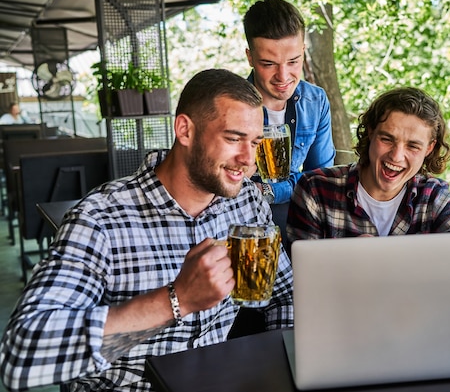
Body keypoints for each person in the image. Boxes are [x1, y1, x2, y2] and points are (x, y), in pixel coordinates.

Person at [0, 69, 294, 392]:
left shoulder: (247, 204)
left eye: (254, 142)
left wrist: (277, 370)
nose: (248, 159)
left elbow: (285, 296)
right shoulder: (100, 219)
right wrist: (176, 299)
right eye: (233, 138)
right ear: (185, 130)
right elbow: (20, 355)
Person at [287, 87, 450, 250]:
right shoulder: (315, 190)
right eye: (387, 139)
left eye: (413, 146)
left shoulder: (434, 198)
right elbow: (299, 288)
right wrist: (346, 260)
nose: (397, 156)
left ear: (429, 149)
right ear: (369, 132)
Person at [243, 0, 336, 205]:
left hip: (300, 212)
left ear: (303, 51)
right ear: (250, 58)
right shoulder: (229, 104)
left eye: (293, 62)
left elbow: (322, 179)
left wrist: (270, 190)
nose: (283, 77)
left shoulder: (316, 101)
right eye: (269, 64)